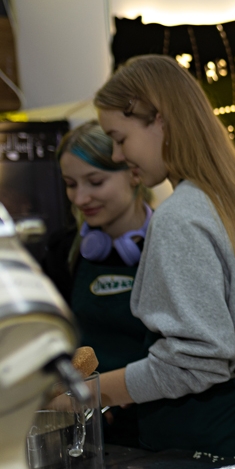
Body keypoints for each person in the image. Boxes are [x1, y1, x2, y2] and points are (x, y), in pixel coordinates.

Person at [82, 55, 235, 463]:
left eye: (120, 138)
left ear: (159, 120)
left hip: (212, 446)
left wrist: (88, 394)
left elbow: (196, 363)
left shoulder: (179, 217)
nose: (117, 155)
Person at [43, 120, 153, 446]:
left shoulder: (166, 247)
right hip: (90, 428)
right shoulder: (64, 251)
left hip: (160, 420)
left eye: (95, 181)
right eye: (70, 184)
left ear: (133, 173)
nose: (80, 197)